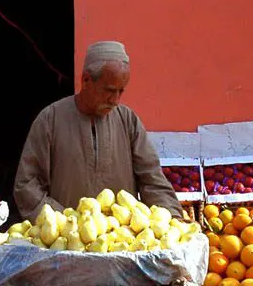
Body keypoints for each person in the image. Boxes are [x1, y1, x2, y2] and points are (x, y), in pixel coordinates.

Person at [14, 40, 181, 221]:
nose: (115, 100)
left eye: (121, 91)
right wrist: (64, 221)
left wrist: (172, 217)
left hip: (121, 242)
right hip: (64, 241)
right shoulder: (50, 119)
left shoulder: (128, 121)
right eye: (109, 90)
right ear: (86, 80)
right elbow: (27, 185)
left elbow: (152, 180)